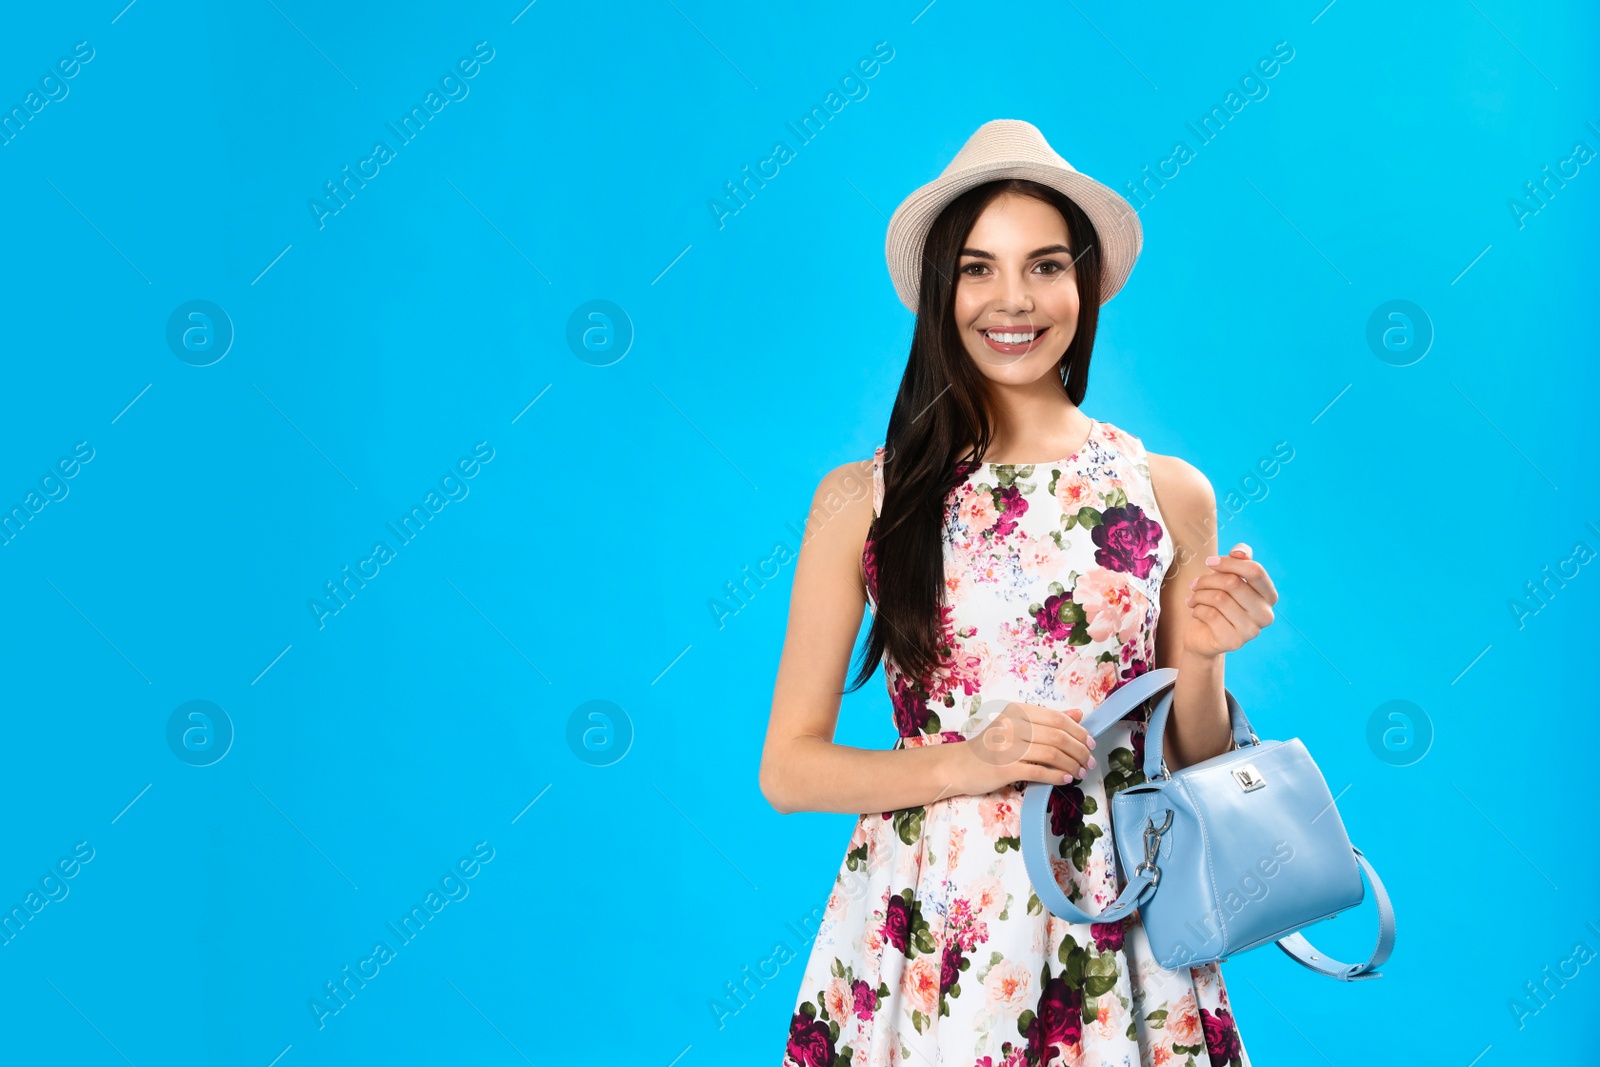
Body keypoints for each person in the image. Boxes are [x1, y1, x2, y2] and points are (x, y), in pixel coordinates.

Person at [759, 119, 1279, 1067]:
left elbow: (1192, 762)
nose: (1012, 299)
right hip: (934, 925)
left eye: (1044, 266)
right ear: (939, 291)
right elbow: (789, 769)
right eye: (976, 268)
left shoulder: (1167, 490)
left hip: (1121, 922)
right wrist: (965, 763)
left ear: (1083, 283)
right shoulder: (861, 498)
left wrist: (1202, 655)